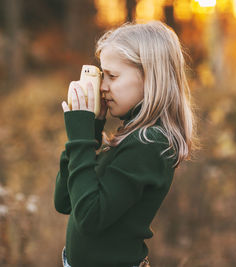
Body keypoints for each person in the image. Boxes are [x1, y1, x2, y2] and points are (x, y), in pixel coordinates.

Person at [55, 20, 198, 267]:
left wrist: (80, 141)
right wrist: (88, 135)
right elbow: (65, 201)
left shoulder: (149, 143)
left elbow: (90, 217)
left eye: (112, 76)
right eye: (102, 75)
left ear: (150, 78)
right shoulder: (133, 137)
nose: (103, 87)